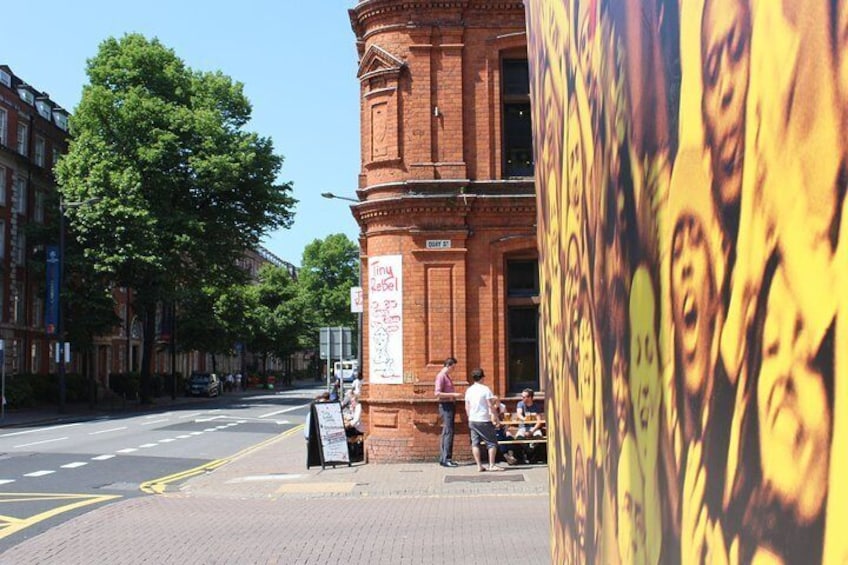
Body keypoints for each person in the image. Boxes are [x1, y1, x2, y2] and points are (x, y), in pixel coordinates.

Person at [464, 367, 503, 472]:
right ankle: (492, 465)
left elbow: (467, 406)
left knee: (475, 443)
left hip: (472, 419)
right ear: (482, 378)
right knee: (492, 443)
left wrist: (469, 418)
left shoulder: (469, 390)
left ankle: (479, 466)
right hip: (484, 419)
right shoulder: (485, 389)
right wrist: (496, 418)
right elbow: (490, 406)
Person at [434, 356, 461, 467]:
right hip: (446, 406)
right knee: (448, 432)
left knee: (447, 431)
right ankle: (446, 459)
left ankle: (444, 458)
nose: (453, 370)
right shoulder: (441, 376)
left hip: (449, 405)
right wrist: (453, 395)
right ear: (448, 366)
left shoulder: (446, 376)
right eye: (453, 367)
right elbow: (437, 393)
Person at [515, 388, 546, 464]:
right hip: (523, 427)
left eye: (524, 397)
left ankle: (530, 450)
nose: (522, 398)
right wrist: (524, 418)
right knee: (518, 438)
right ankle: (529, 450)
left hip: (533, 427)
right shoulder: (520, 404)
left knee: (538, 436)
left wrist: (532, 431)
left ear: (530, 397)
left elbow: (539, 421)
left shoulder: (536, 406)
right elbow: (519, 413)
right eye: (522, 397)